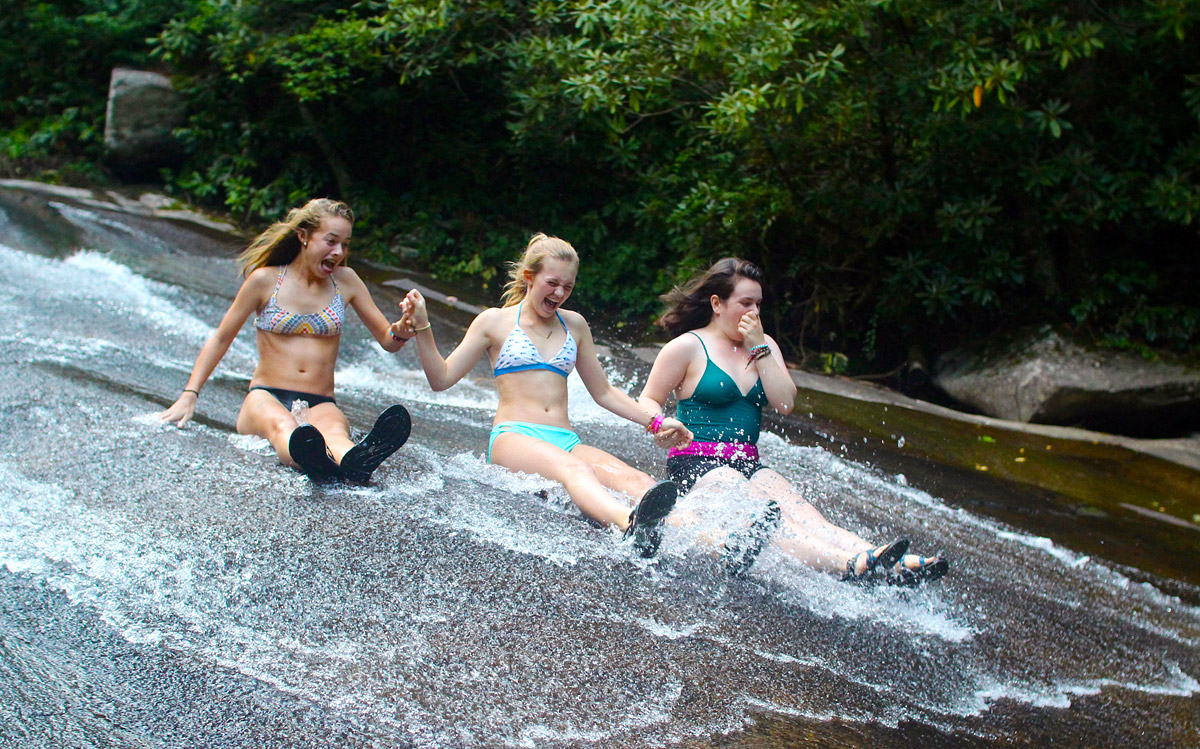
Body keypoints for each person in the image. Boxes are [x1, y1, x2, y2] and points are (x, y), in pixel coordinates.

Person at [638, 258, 949, 586]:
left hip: (747, 462)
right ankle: (850, 564)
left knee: (803, 514)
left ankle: (890, 561)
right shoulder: (687, 346)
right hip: (696, 464)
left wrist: (759, 347)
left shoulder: (765, 346)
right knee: (768, 517)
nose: (754, 312)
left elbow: (785, 402)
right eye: (745, 303)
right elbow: (647, 399)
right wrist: (661, 424)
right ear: (717, 303)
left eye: (758, 304)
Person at [400, 233, 692, 557]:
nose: (559, 293)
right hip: (514, 437)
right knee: (577, 470)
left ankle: (711, 542)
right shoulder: (494, 322)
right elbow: (441, 378)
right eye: (552, 283)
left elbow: (605, 392)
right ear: (529, 277)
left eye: (568, 287)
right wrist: (424, 327)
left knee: (637, 480)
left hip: (565, 440)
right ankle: (630, 527)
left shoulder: (575, 326)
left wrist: (658, 422)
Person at [159, 198, 412, 484]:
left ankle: (355, 461)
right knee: (283, 425)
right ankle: (313, 460)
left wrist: (402, 329)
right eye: (331, 241)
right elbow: (220, 338)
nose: (339, 252)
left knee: (335, 434)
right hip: (265, 396)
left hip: (320, 401)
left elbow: (388, 340)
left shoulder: (347, 282)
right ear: (303, 236)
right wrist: (189, 395)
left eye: (345, 244)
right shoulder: (264, 281)